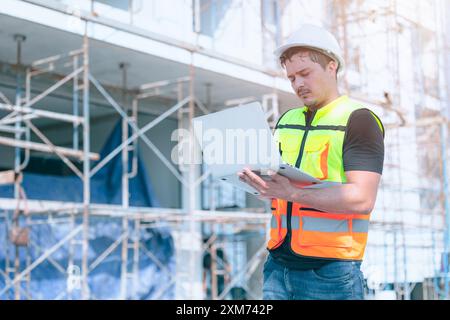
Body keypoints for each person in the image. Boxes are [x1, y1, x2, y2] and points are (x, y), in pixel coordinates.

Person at [238, 24, 384, 300]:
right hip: (277, 266)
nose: (298, 84)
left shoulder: (359, 119)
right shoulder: (286, 120)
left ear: (332, 67)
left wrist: (292, 193)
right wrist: (256, 180)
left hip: (331, 272)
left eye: (305, 73)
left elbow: (362, 198)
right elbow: (278, 188)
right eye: (292, 77)